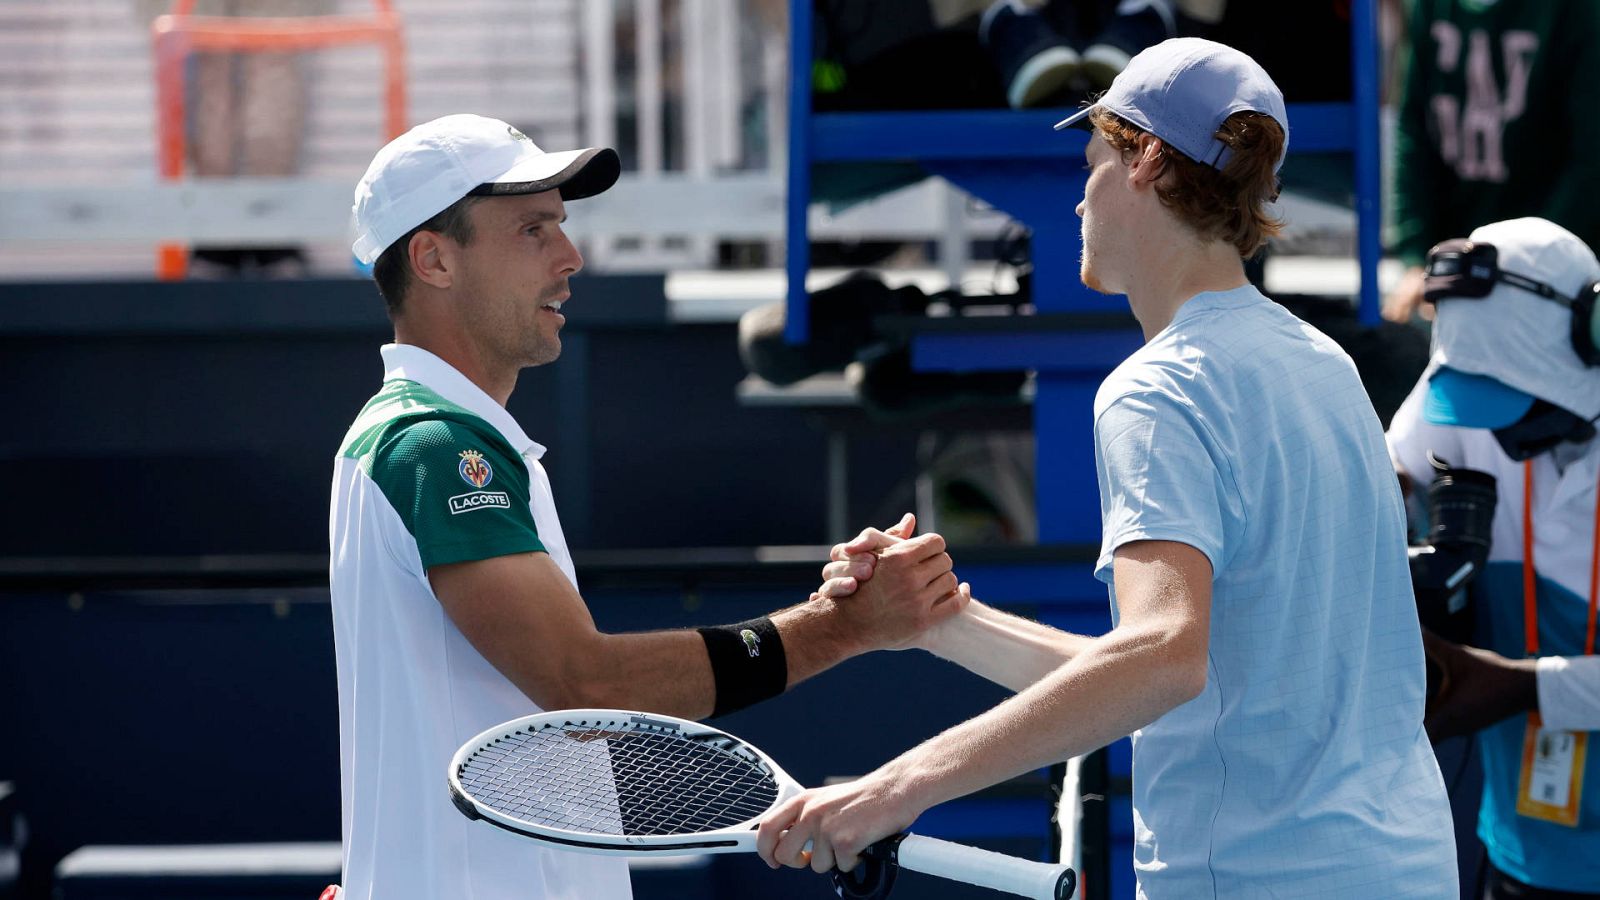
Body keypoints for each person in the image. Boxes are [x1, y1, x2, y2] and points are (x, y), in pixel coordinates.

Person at [756, 38, 1458, 895]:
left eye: (1092, 161)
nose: (1079, 196)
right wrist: (942, 624)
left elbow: (1163, 658)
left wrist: (891, 790)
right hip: (1404, 867)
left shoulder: (1158, 389)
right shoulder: (1323, 365)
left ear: (1148, 164)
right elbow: (1164, 675)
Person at [329, 114, 966, 900]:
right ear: (433, 260)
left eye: (561, 227)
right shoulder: (433, 444)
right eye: (534, 230)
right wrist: (839, 627)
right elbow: (582, 683)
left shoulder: (426, 437)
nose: (571, 259)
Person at [1386, 216, 1600, 898]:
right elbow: (1391, 474)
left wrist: (1524, 685)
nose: (1494, 434)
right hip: (1514, 847)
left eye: (1514, 406)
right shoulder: (1464, 388)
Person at [1383, 0, 1600, 323]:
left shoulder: (1576, 12)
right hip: (1460, 262)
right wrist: (1417, 256)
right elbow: (1414, 131)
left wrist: (1526, 266)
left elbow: (1590, 159)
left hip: (1555, 274)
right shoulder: (1431, 9)